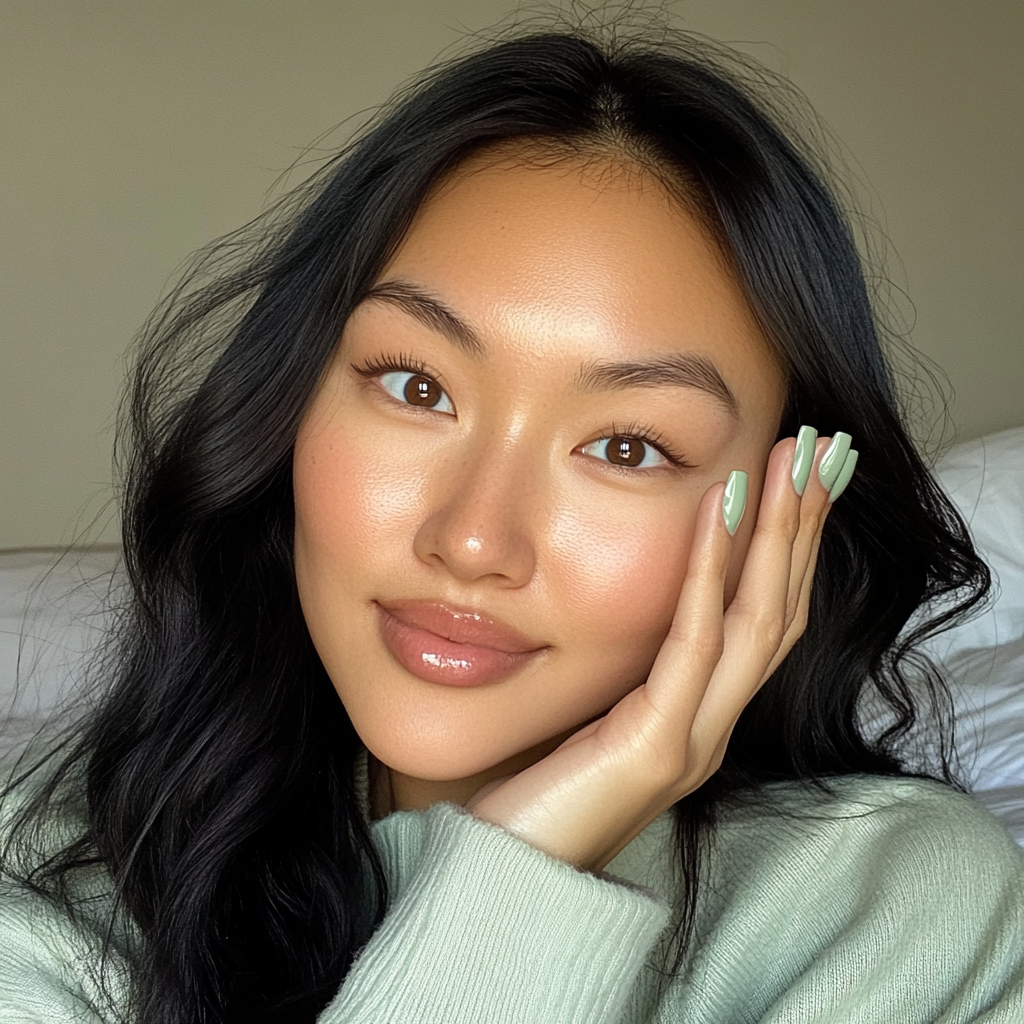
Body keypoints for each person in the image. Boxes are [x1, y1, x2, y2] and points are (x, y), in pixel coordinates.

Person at [2, 22, 1022, 1024]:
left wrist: (524, 873)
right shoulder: (47, 876)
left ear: (786, 510)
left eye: (627, 447)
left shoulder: (896, 911)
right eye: (414, 385)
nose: (473, 538)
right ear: (290, 403)